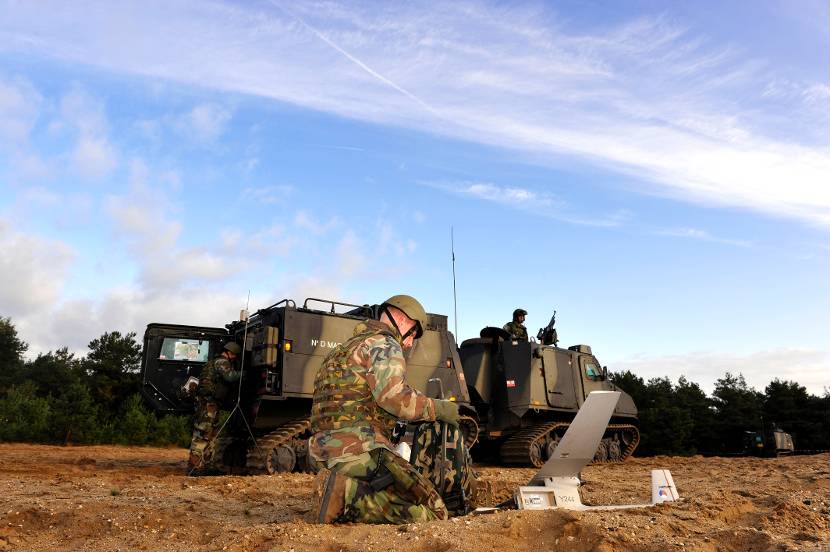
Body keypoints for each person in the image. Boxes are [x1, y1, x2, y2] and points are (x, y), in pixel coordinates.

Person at [308, 294, 463, 524]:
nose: (410, 343)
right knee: (435, 509)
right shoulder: (384, 343)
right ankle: (343, 498)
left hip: (321, 455)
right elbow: (395, 397)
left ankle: (343, 489)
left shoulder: (340, 351)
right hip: (358, 451)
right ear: (402, 320)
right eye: (413, 334)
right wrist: (440, 408)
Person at [187, 341, 242, 474]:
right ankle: (194, 468)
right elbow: (230, 377)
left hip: (212, 404)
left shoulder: (213, 363)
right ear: (230, 353)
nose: (234, 358)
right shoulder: (221, 362)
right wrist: (243, 374)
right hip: (208, 404)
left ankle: (205, 466)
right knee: (202, 435)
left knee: (211, 435)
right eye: (234, 355)